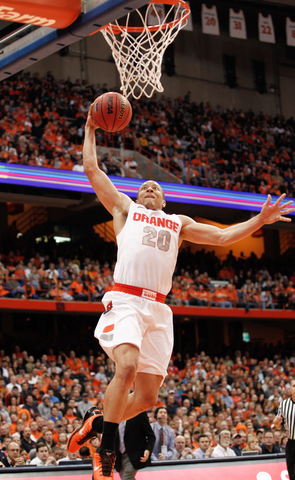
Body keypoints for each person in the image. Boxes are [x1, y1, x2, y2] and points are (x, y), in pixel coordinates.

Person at [67, 106, 294, 480]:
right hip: (125, 299)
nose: (149, 188)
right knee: (124, 366)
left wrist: (259, 220)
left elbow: (221, 237)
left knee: (147, 399)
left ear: (165, 200)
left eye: (155, 187)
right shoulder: (125, 210)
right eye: (144, 187)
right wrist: (91, 128)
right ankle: (106, 451)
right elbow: (93, 170)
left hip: (158, 310)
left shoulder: (178, 223)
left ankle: (94, 424)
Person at [115, 411, 155, 480]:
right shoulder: (114, 414)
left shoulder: (139, 413)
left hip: (134, 455)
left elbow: (151, 435)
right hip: (119, 456)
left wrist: (148, 450)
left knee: (126, 478)